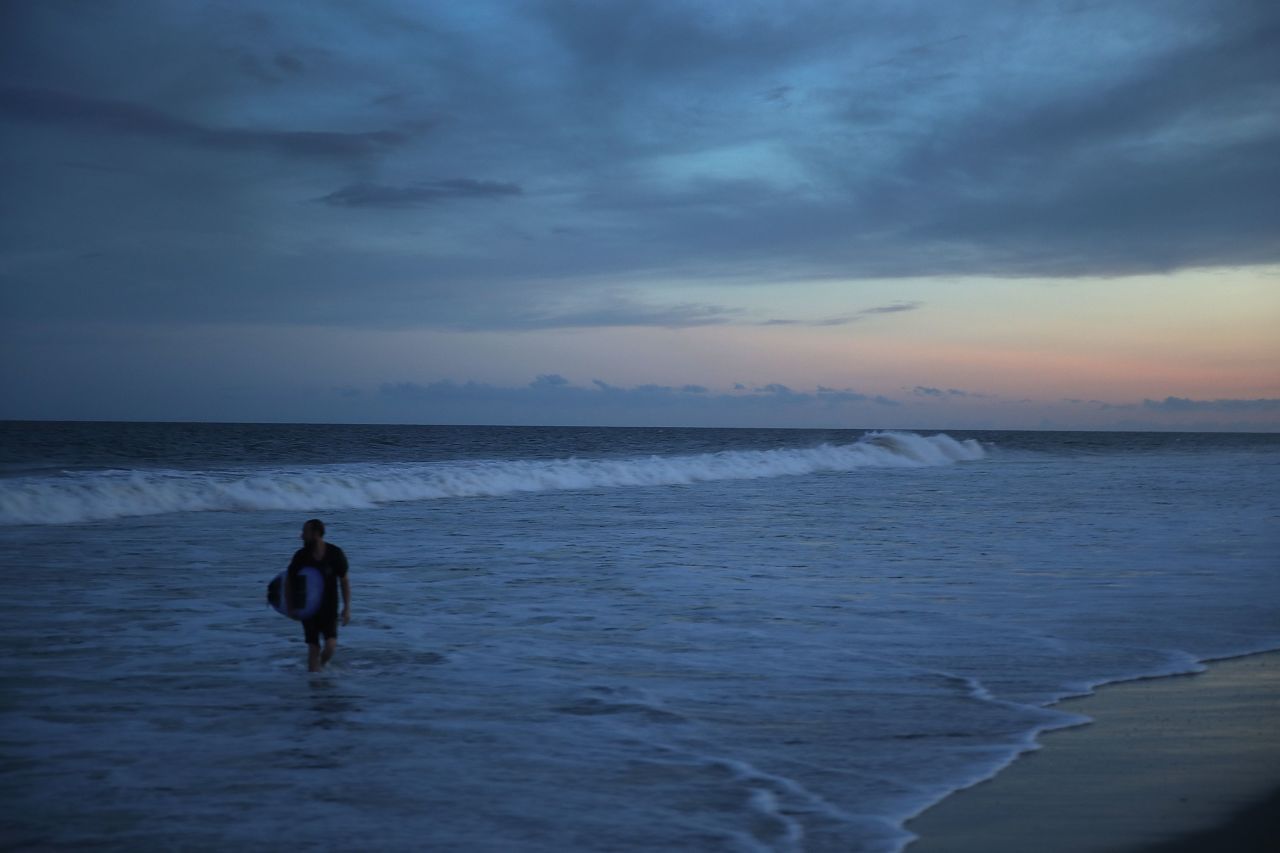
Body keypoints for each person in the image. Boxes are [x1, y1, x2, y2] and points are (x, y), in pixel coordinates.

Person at [287, 518, 350, 672]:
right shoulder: (300, 556)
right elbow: (288, 582)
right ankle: (314, 686)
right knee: (313, 647)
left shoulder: (335, 553)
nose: (301, 536)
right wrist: (291, 606)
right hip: (308, 608)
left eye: (305, 532)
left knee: (330, 646)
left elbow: (344, 581)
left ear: (315, 534)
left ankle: (320, 669)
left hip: (329, 608)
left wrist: (347, 607)